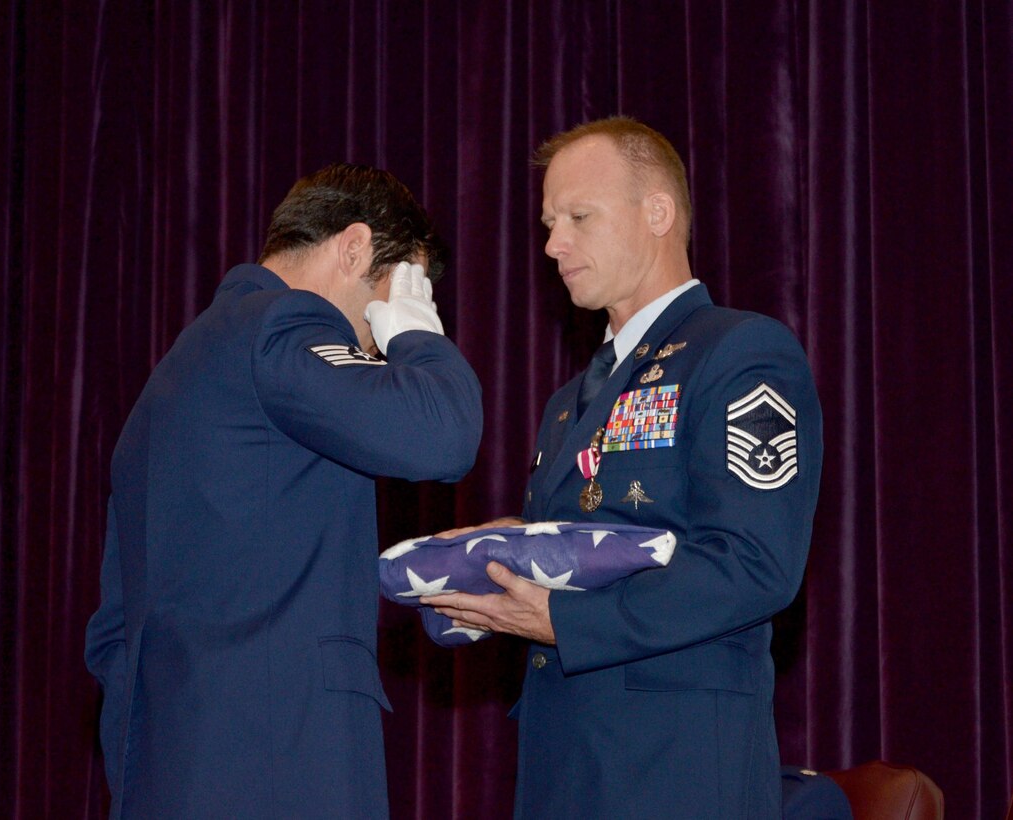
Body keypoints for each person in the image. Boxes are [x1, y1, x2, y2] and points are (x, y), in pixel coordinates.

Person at [424, 117, 823, 817]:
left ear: (658, 213)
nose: (553, 244)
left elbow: (754, 564)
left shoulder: (740, 352)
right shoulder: (568, 401)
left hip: (675, 770)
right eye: (549, 223)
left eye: (579, 217)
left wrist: (564, 620)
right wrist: (502, 556)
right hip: (565, 767)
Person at [84, 163, 482, 819]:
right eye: (399, 289)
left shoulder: (177, 373)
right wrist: (418, 336)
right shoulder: (280, 324)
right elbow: (442, 436)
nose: (377, 345)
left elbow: (110, 634)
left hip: (176, 765)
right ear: (354, 248)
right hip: (276, 759)